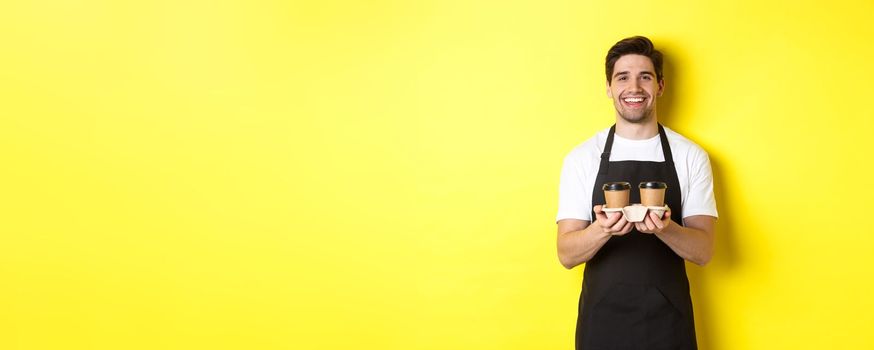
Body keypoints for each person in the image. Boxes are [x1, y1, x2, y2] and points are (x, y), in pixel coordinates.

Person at [555, 36, 718, 349]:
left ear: (660, 85)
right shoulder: (582, 157)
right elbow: (566, 253)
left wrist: (665, 228)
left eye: (645, 77)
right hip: (601, 324)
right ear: (608, 87)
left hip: (668, 325)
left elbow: (704, 251)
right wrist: (603, 229)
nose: (634, 88)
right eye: (622, 77)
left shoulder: (690, 156)